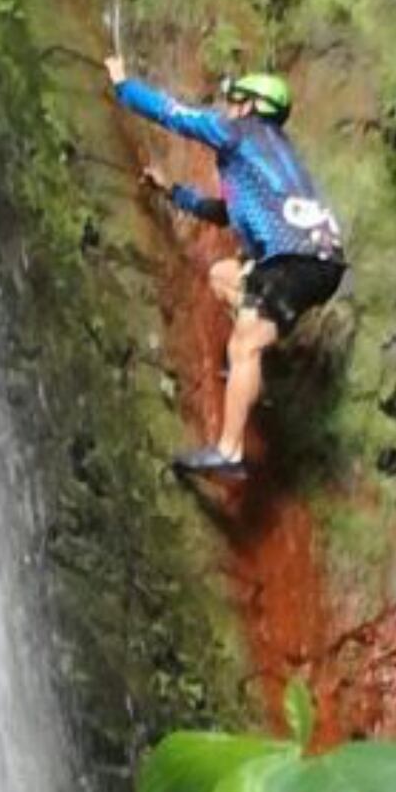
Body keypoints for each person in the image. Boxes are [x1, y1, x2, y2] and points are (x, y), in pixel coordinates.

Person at [105, 56, 346, 479]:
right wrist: (173, 192)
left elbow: (175, 115)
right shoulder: (274, 155)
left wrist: (124, 86)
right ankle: (250, 372)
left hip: (295, 259)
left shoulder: (239, 133)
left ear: (251, 107)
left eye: (236, 99)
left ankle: (230, 450)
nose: (229, 106)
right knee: (223, 277)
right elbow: (227, 212)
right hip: (320, 262)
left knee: (244, 345)